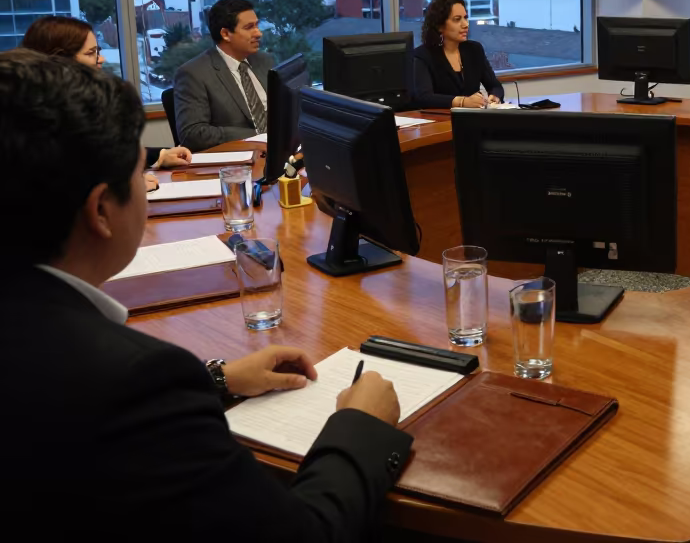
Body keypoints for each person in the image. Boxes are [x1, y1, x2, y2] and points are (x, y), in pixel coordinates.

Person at [0, 49, 413, 540]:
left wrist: (215, 381)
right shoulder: (134, 379)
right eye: (139, 174)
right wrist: (361, 425)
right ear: (102, 212)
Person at [20, 15, 192, 174]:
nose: (101, 59)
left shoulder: (81, 101)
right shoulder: (35, 119)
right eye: (90, 53)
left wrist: (161, 155)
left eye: (98, 51)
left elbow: (106, 154)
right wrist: (120, 189)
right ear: (59, 60)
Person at [174, 0, 274, 151]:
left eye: (257, 25)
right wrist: (258, 135)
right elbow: (192, 134)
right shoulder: (193, 74)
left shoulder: (265, 61)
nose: (258, 33)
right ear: (226, 34)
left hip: (280, 151)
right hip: (238, 159)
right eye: (249, 27)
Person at [411, 0, 503, 109]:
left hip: (473, 119)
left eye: (465, 18)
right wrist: (461, 102)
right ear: (439, 25)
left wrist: (495, 96)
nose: (465, 24)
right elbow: (424, 98)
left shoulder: (474, 50)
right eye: (457, 19)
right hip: (440, 122)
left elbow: (495, 86)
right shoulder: (422, 56)